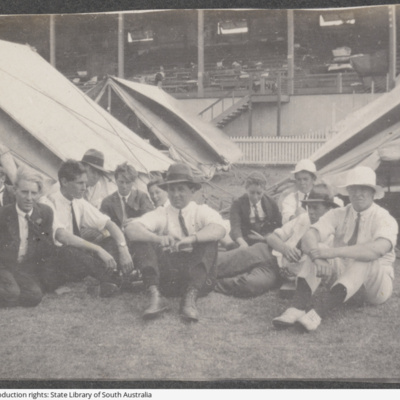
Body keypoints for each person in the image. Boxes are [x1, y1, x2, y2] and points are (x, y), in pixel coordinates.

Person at [273, 166, 398, 332]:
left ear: (373, 192)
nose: (358, 193)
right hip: (342, 282)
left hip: (375, 288)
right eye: (354, 188)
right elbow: (310, 235)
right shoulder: (340, 213)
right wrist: (318, 257)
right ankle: (297, 308)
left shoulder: (384, 218)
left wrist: (332, 253)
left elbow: (376, 250)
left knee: (365, 259)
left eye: (364, 189)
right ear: (348, 191)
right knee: (319, 246)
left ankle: (317, 314)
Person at [125, 163, 226, 322]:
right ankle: (155, 296)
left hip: (198, 280)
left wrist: (192, 239)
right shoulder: (162, 213)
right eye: (171, 190)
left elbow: (219, 229)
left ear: (192, 191)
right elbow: (131, 229)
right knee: (142, 239)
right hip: (169, 280)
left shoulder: (201, 211)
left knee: (209, 240)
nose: (176, 194)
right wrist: (158, 239)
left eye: (181, 189)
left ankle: (190, 299)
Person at [215, 184, 338, 298]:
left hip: (278, 273)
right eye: (309, 207)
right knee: (227, 260)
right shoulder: (303, 218)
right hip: (267, 252)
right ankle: (200, 269)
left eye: (315, 208)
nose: (311, 211)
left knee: (250, 285)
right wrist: (284, 249)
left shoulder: (333, 236)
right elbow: (272, 237)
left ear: (329, 209)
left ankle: (210, 282)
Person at [41, 160, 134, 297]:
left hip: (78, 259)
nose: (85, 187)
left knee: (110, 240)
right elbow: (62, 236)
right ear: (65, 182)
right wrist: (98, 249)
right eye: (80, 183)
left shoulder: (78, 201)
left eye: (85, 183)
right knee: (69, 250)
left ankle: (111, 279)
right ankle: (119, 280)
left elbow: (109, 224)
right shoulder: (48, 202)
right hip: (56, 261)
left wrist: (123, 248)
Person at [0, 167, 56, 307]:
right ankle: (10, 293)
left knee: (34, 296)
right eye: (24, 192)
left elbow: (47, 248)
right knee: (12, 292)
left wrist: (44, 280)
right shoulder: (3, 214)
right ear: (15, 190)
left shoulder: (45, 213)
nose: (29, 198)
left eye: (34, 193)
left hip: (22, 268)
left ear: (39, 194)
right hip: (3, 266)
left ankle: (10, 294)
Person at [229, 171, 281, 248]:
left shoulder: (271, 203)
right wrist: (242, 243)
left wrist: (268, 237)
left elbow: (278, 223)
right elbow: (235, 226)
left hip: (265, 238)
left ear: (264, 190)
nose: (255, 197)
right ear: (246, 189)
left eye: (259, 193)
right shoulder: (238, 203)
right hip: (245, 238)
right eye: (252, 193)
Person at [100, 162, 153, 229]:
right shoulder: (107, 202)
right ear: (116, 180)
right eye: (121, 182)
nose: (124, 186)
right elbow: (102, 224)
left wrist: (136, 221)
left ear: (133, 182)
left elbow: (150, 218)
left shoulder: (141, 197)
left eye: (128, 182)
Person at [281, 159, 317, 224]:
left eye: (305, 179)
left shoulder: (321, 196)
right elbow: (286, 215)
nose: (302, 182)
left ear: (313, 179)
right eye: (299, 179)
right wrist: (294, 218)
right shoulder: (290, 198)